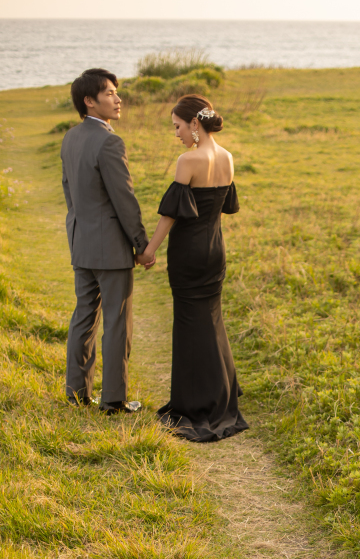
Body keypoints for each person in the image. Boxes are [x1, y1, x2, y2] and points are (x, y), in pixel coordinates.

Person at [141, 95, 248, 442]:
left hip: (188, 253)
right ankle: (223, 395)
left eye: (177, 126)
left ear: (194, 124)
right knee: (211, 320)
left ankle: (198, 406)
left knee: (190, 325)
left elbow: (170, 214)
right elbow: (223, 206)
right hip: (215, 250)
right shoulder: (228, 158)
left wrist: (149, 251)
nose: (176, 134)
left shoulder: (188, 160)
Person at [61, 68, 153, 413]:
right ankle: (114, 399)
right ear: (90, 101)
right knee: (116, 321)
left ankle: (76, 393)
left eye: (117, 92)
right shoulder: (109, 140)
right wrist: (141, 245)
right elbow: (124, 199)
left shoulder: (70, 137)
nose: (118, 99)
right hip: (111, 249)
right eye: (110, 93)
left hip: (81, 242)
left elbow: (70, 193)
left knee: (83, 317)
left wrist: (83, 228)